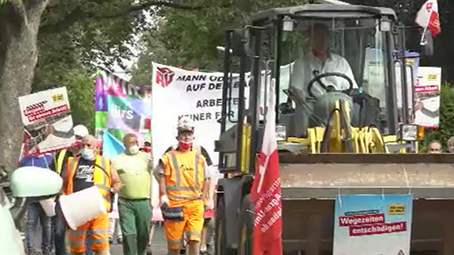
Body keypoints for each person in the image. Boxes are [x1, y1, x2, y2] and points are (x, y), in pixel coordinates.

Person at [154, 117, 214, 255]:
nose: (186, 137)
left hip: (195, 204)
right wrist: (163, 195)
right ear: (178, 136)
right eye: (183, 134)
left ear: (193, 136)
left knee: (194, 239)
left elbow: (207, 178)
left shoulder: (200, 157)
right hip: (175, 205)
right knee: (174, 245)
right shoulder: (169, 156)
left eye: (188, 134)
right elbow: (160, 174)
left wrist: (206, 198)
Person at [62, 135, 122, 255]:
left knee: (101, 245)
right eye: (83, 145)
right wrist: (64, 201)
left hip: (98, 209)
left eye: (88, 145)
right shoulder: (72, 162)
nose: (85, 148)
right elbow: (62, 183)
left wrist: (111, 192)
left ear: (96, 147)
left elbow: (117, 182)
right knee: (76, 247)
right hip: (78, 210)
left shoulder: (105, 162)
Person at [49, 124, 90, 255]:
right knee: (59, 231)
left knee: (84, 233)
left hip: (83, 200)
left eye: (80, 138)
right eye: (75, 137)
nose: (77, 140)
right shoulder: (60, 154)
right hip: (63, 199)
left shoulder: (89, 156)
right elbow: (53, 173)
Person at [291, 22, 358, 99]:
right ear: (310, 40)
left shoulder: (341, 62)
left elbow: (351, 89)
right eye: (317, 37)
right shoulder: (302, 63)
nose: (321, 41)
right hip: (312, 107)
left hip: (337, 106)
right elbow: (297, 90)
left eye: (323, 37)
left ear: (329, 39)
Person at [112, 133, 153, 255]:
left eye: (136, 142)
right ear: (124, 144)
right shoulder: (117, 159)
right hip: (126, 202)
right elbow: (113, 179)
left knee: (143, 233)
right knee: (129, 234)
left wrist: (153, 165)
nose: (134, 144)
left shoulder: (147, 157)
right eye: (131, 142)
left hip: (144, 201)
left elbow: (157, 172)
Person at [20, 153, 54, 255]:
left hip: (46, 196)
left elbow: (54, 174)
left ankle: (46, 248)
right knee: (31, 223)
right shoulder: (26, 160)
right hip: (32, 197)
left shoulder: (49, 158)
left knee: (47, 225)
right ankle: (30, 248)